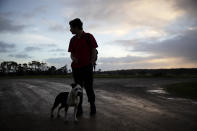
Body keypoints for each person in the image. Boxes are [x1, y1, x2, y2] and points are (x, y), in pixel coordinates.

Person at [68, 18, 98, 116]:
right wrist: (73, 58)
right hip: (76, 68)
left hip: (87, 67)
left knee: (89, 88)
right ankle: (79, 108)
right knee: (77, 89)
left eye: (71, 28)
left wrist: (91, 62)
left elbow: (94, 50)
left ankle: (92, 105)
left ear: (76, 27)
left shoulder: (89, 37)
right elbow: (71, 54)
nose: (70, 30)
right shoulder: (72, 40)